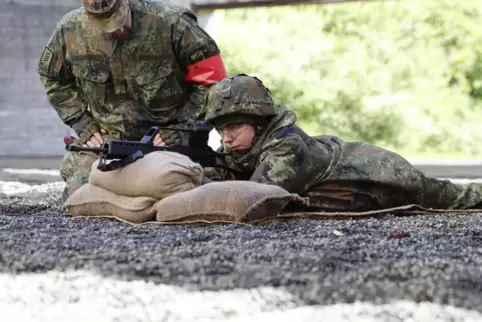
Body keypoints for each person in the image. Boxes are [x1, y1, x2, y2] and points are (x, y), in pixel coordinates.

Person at [201, 74, 482, 212]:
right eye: (222, 129)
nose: (227, 137)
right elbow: (232, 172)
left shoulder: (287, 146)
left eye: (235, 127)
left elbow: (255, 198)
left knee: (458, 198)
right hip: (357, 171)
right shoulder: (242, 145)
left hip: (380, 175)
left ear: (258, 121)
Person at [37, 0, 228, 199]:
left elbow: (213, 80)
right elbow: (52, 77)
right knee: (81, 194)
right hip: (109, 145)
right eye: (106, 26)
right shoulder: (70, 30)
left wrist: (183, 127)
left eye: (120, 21)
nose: (116, 31)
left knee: (181, 190)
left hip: (168, 143)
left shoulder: (172, 23)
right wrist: (83, 123)